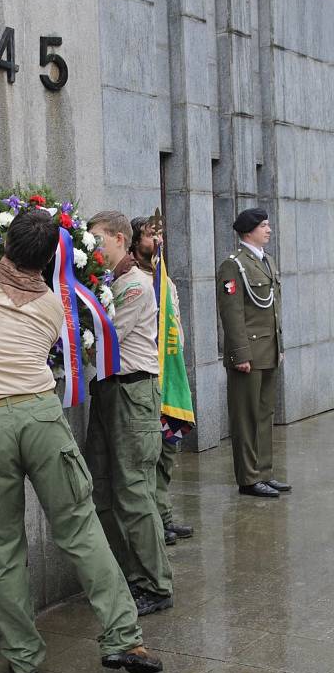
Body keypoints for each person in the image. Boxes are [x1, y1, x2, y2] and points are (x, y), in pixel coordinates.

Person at [0, 209, 163, 673]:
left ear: (3, 244)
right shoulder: (51, 307)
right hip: (42, 417)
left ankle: (23, 659)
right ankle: (124, 637)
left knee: (1, 545)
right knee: (81, 529)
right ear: (48, 263)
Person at [85, 210, 173, 617]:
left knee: (134, 492)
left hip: (132, 393)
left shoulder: (135, 285)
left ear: (120, 238)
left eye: (99, 241)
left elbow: (105, 339)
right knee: (102, 490)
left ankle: (155, 584)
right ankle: (128, 575)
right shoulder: (110, 283)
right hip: (106, 391)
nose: (94, 250)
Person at [216, 207, 291, 498]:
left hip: (268, 351)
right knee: (245, 416)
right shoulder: (233, 265)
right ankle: (248, 478)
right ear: (248, 231)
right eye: (264, 226)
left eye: (268, 225)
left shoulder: (266, 261)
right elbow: (232, 314)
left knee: (263, 414)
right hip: (248, 353)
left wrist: (279, 348)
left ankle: (264, 471)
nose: (268, 230)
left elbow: (273, 311)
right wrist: (240, 354)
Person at [130, 217, 193, 545]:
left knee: (168, 451)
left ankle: (165, 513)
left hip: (171, 375)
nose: (157, 240)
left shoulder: (164, 279)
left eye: (160, 234)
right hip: (147, 375)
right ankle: (157, 520)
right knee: (150, 455)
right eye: (150, 234)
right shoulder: (133, 279)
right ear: (135, 239)